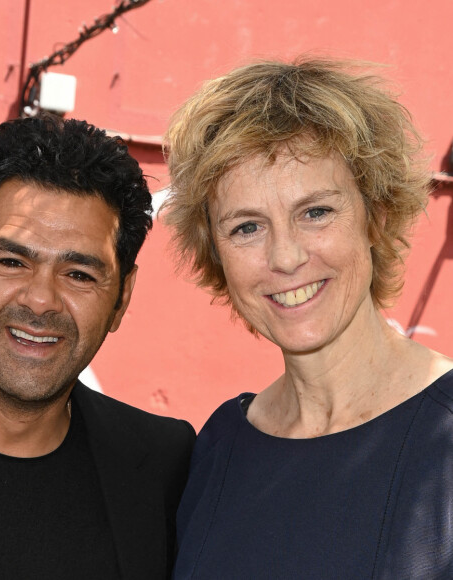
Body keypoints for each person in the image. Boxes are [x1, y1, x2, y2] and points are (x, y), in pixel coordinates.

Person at [163, 58, 453, 579]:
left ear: (376, 217)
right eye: (247, 227)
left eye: (315, 212)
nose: (285, 257)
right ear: (216, 255)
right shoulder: (220, 447)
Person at [0, 114, 195, 580]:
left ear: (122, 298)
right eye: (11, 261)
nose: (41, 299)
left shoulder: (162, 466)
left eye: (79, 274)